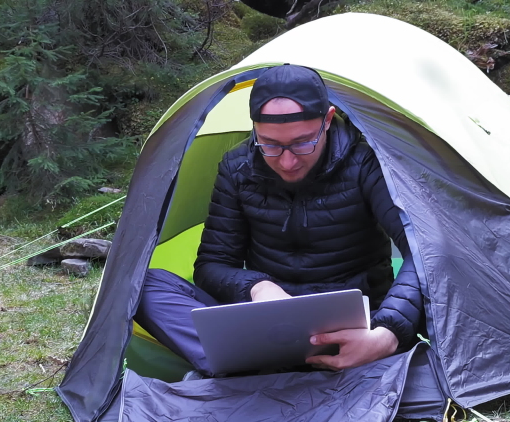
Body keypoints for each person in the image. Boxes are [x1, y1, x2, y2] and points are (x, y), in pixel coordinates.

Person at [135, 64, 424, 377]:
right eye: (270, 144)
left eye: (302, 143)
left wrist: (386, 334)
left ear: (327, 120)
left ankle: (250, 371)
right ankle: (249, 362)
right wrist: (258, 287)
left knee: (433, 273)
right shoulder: (237, 169)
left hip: (351, 332)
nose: (287, 161)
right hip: (267, 327)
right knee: (140, 283)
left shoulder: (365, 164)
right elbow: (212, 265)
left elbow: (425, 250)